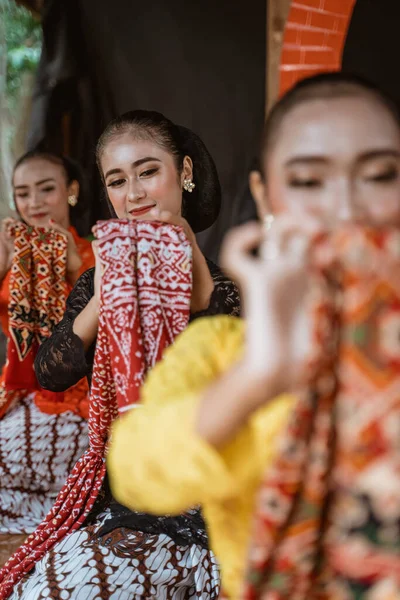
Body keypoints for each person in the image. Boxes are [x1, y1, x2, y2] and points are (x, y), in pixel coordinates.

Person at [107, 73, 400, 599]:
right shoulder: (224, 349)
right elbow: (138, 472)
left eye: (380, 174)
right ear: (265, 196)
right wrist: (260, 374)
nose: (346, 208)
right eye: (309, 181)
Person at [2, 111, 240, 599]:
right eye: (117, 180)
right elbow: (52, 372)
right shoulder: (96, 280)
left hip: (211, 501)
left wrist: (184, 256)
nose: (133, 194)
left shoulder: (230, 290)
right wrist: (103, 295)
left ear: (186, 173)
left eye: (148, 171)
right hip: (129, 501)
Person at [0, 151, 94, 535]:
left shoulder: (98, 252)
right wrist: (4, 261)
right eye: (23, 193)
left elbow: (110, 330)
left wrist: (74, 267)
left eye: (46, 189)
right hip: (22, 392)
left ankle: (60, 518)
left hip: (80, 397)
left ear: (71, 191)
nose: (34, 203)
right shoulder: (14, 253)